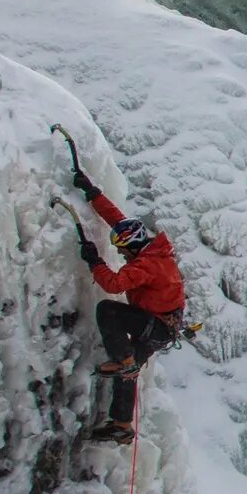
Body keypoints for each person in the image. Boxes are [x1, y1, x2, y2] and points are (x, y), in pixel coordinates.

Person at [71, 167, 184, 444]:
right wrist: (92, 192)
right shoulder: (149, 249)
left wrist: (94, 261)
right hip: (163, 325)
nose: (121, 255)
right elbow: (117, 220)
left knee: (107, 311)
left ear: (132, 247)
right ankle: (121, 424)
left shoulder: (147, 264)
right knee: (129, 369)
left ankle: (123, 361)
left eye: (122, 251)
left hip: (156, 325)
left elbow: (112, 284)